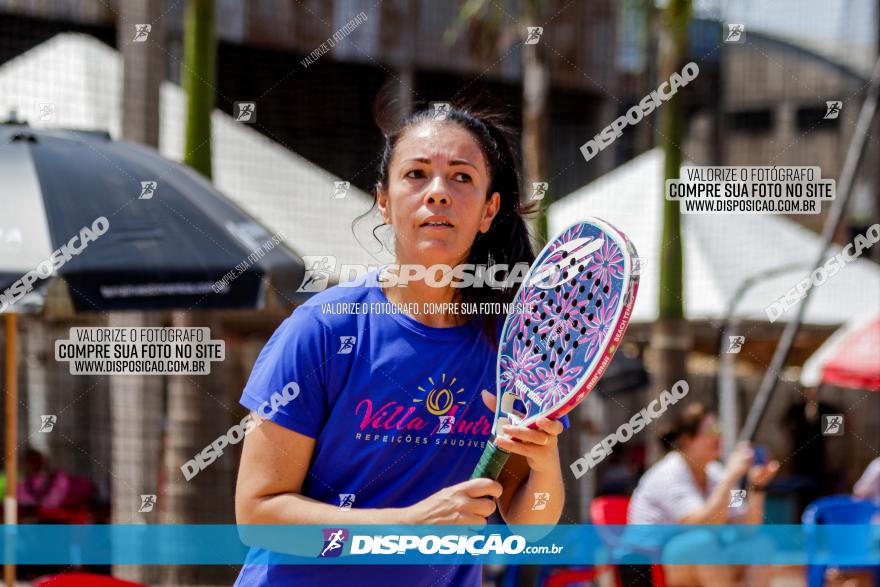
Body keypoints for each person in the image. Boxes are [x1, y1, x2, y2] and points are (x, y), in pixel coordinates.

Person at [233, 97, 569, 587]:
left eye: (461, 176)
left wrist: (543, 461)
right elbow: (258, 513)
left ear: (489, 210)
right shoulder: (326, 328)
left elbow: (530, 522)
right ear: (384, 202)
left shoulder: (509, 348)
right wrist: (407, 526)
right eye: (416, 175)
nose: (437, 193)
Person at [628, 403, 780, 587]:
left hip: (689, 557)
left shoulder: (715, 472)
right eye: (711, 431)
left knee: (758, 545)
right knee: (702, 544)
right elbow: (704, 527)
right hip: (648, 566)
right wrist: (731, 478)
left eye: (719, 430)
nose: (719, 437)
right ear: (687, 440)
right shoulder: (669, 474)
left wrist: (757, 487)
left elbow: (746, 528)